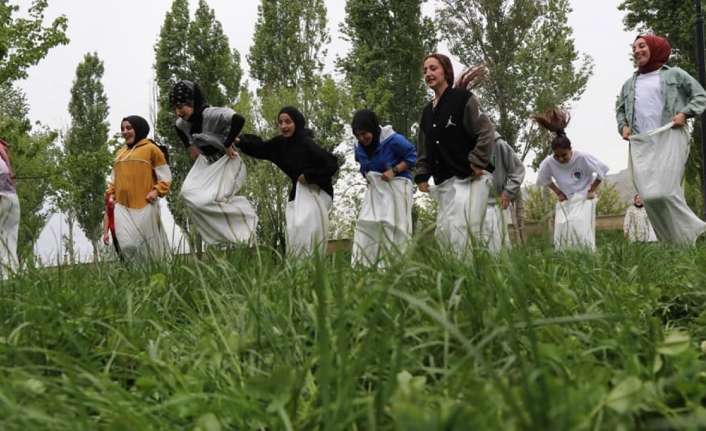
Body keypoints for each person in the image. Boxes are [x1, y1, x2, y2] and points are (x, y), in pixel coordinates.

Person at [616, 35, 706, 244]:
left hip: (670, 135)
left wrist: (685, 113)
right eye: (634, 47)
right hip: (641, 142)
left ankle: (697, 229)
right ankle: (674, 243)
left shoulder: (675, 74)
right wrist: (623, 126)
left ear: (655, 48)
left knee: (665, 192)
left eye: (642, 46)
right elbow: (620, 110)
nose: (637, 51)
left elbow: (700, 95)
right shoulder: (629, 84)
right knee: (648, 197)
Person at [414, 54, 495, 255]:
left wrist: (477, 161)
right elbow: (424, 147)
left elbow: (486, 131)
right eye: (425, 71)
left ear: (446, 71)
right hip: (444, 183)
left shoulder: (463, 99)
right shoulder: (426, 112)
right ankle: (456, 279)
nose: (428, 74)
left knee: (465, 232)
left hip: (469, 178)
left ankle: (480, 277)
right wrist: (422, 175)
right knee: (445, 234)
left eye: (433, 68)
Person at [236, 107, 339, 255]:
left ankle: (313, 264)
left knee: (306, 225)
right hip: (299, 191)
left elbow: (331, 164)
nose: (284, 126)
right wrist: (240, 141)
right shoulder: (279, 145)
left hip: (319, 191)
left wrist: (309, 176)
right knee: (292, 229)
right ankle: (298, 267)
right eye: (280, 122)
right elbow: (261, 148)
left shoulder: (306, 142)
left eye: (288, 122)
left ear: (296, 123)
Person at [170, 80, 257, 246]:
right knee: (188, 193)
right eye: (175, 108)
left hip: (228, 161)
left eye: (181, 107)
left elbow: (238, 119)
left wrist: (228, 143)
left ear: (192, 103)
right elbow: (178, 128)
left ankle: (245, 216)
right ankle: (222, 236)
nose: (178, 112)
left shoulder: (210, 113)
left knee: (213, 198)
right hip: (206, 163)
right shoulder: (182, 122)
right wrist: (190, 146)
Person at [534, 108, 608, 250]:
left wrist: (591, 189)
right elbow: (544, 178)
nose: (561, 159)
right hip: (566, 200)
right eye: (558, 156)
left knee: (580, 226)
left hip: (584, 198)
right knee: (563, 227)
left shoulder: (582, 157)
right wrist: (558, 192)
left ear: (571, 150)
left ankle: (586, 254)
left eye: (564, 155)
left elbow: (602, 171)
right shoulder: (549, 162)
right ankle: (566, 257)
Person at [349, 109, 416, 266]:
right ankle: (365, 265)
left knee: (394, 225)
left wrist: (394, 170)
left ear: (373, 128)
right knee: (367, 222)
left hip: (397, 185)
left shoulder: (393, 140)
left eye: (364, 133)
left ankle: (396, 266)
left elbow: (412, 156)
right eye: (357, 135)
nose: (362, 138)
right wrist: (367, 176)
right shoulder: (359, 147)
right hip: (376, 189)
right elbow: (363, 165)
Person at [105, 116, 171, 260]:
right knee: (127, 245)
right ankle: (133, 275)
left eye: (129, 128)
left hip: (145, 206)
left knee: (149, 248)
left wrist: (156, 191)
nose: (124, 131)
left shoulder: (151, 149)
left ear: (139, 128)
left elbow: (165, 176)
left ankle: (155, 273)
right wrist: (110, 194)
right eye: (122, 129)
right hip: (122, 207)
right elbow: (113, 179)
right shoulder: (119, 154)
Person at [482, 132, 525, 253]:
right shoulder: (463, 145)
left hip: (494, 204)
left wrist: (508, 192)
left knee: (497, 248)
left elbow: (518, 170)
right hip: (472, 205)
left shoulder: (499, 145)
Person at [0, 137, 19, 276]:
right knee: (10, 240)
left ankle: (5, 278)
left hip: (3, 197)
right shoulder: (4, 163)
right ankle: (13, 277)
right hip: (12, 197)